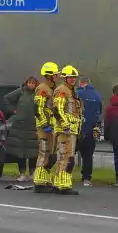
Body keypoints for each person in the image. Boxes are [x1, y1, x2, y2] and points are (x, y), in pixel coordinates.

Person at [49, 65, 82, 195]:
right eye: (70, 77)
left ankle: (61, 183)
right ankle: (62, 185)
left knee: (68, 157)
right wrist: (65, 124)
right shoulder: (62, 90)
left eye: (74, 77)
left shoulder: (72, 91)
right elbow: (57, 109)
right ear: (65, 78)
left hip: (72, 130)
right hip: (65, 130)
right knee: (66, 157)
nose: (73, 79)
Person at [4, 75, 39, 182]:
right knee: (21, 151)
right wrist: (13, 110)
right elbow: (7, 99)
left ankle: (32, 173)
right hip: (20, 126)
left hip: (33, 126)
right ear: (26, 83)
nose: (31, 85)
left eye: (33, 83)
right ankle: (23, 173)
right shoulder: (20, 92)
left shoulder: (38, 94)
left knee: (33, 151)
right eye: (30, 83)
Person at [33, 62, 60, 193]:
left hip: (52, 127)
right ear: (49, 75)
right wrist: (45, 124)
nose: (57, 76)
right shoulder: (42, 88)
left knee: (51, 155)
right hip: (44, 128)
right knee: (44, 154)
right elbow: (38, 109)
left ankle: (45, 180)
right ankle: (39, 182)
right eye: (55, 74)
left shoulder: (53, 89)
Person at [75, 76, 102, 187]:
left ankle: (64, 175)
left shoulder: (77, 93)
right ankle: (86, 178)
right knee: (88, 155)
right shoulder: (97, 95)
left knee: (70, 153)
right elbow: (99, 112)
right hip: (91, 129)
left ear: (81, 83)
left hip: (77, 128)